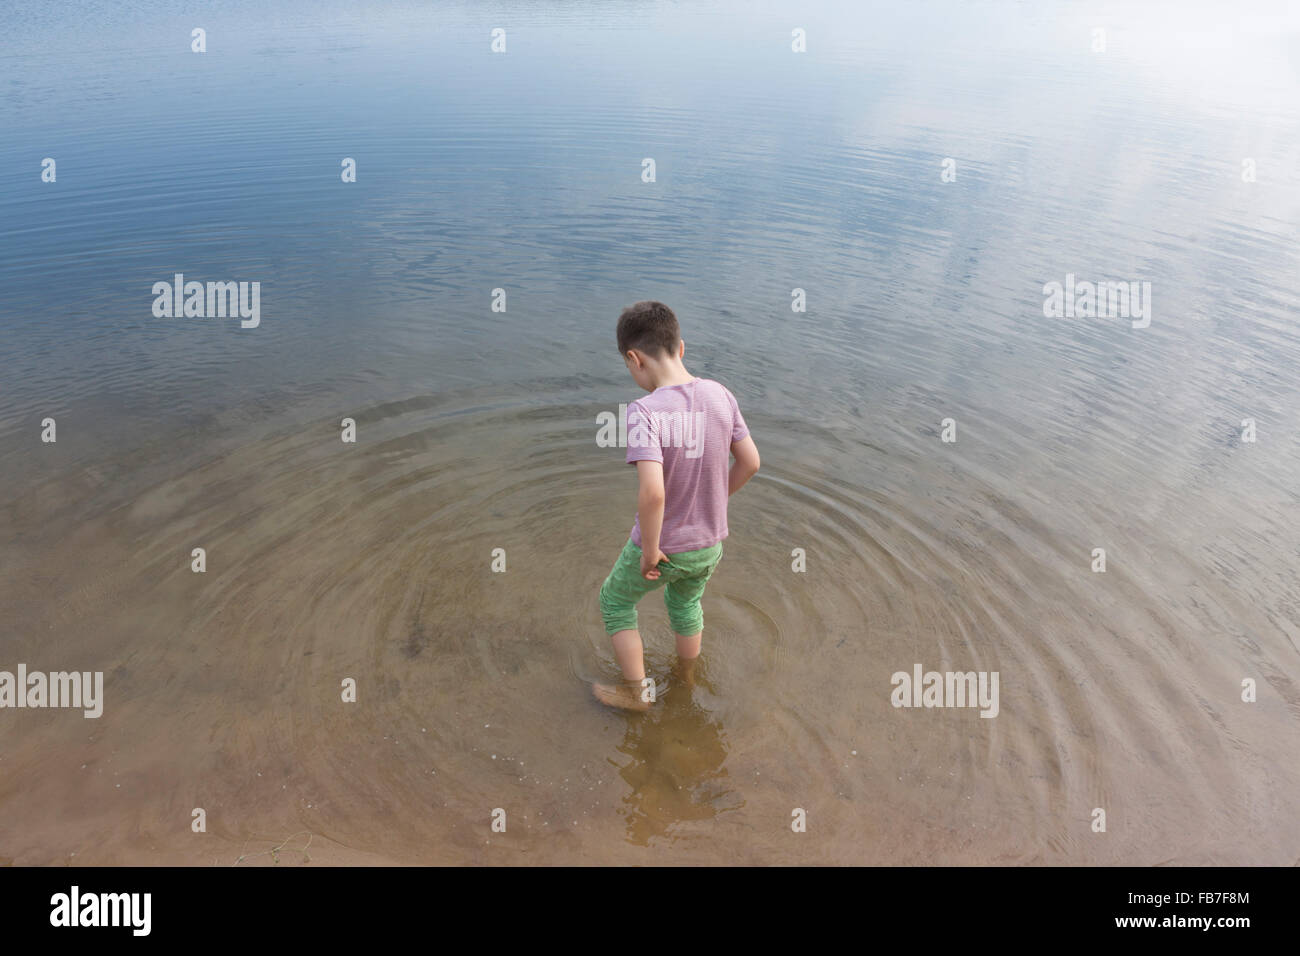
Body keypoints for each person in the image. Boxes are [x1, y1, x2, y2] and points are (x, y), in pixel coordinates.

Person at [592, 301, 760, 710]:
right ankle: (686, 677)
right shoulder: (720, 394)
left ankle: (637, 692)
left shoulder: (645, 412)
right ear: (680, 348)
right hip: (709, 543)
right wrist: (711, 503)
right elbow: (751, 462)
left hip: (666, 545)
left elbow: (653, 493)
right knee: (686, 602)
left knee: (615, 602)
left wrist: (650, 550)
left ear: (634, 358)